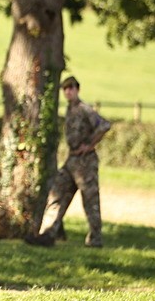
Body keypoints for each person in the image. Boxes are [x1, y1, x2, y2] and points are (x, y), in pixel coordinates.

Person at [26, 76, 112, 248]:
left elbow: (104, 125)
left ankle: (95, 239)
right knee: (57, 193)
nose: (68, 91)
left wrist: (89, 145)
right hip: (71, 160)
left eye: (71, 88)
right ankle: (48, 234)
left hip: (85, 162)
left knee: (90, 201)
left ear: (77, 89)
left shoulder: (84, 109)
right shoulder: (70, 109)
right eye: (65, 88)